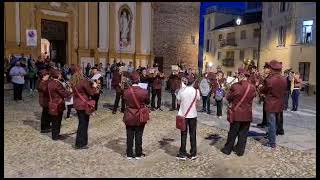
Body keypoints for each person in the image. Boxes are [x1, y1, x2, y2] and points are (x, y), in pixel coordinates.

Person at [220, 67, 256, 156]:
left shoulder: (235, 86)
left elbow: (229, 98)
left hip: (237, 113)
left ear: (241, 75)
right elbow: (253, 97)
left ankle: (227, 149)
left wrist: (227, 91)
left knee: (233, 132)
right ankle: (240, 151)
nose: (237, 76)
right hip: (247, 113)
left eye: (238, 74)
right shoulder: (252, 87)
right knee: (243, 133)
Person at [259, 60, 287, 149]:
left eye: (270, 68)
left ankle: (272, 142)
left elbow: (263, 90)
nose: (269, 69)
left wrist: (260, 87)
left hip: (271, 104)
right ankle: (272, 138)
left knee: (271, 123)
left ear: (272, 69)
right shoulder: (283, 79)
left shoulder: (270, 80)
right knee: (275, 122)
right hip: (280, 103)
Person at [70, 65, 99, 149]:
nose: (82, 72)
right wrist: (94, 86)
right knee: (83, 124)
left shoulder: (73, 81)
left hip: (77, 103)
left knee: (81, 123)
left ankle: (81, 142)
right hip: (83, 104)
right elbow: (91, 93)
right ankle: (80, 143)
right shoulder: (83, 81)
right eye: (81, 70)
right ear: (79, 71)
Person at [123, 71, 150, 160]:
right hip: (139, 115)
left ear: (131, 80)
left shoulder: (126, 91)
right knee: (139, 134)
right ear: (138, 80)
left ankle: (129, 153)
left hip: (129, 114)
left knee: (129, 134)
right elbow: (147, 102)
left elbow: (125, 101)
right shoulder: (144, 91)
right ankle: (138, 153)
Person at [176, 74, 201, 160]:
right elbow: (198, 101)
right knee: (193, 134)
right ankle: (193, 153)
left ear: (186, 81)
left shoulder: (181, 90)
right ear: (193, 82)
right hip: (193, 115)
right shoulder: (196, 91)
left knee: (183, 134)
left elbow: (178, 102)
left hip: (183, 115)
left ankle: (182, 153)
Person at [47, 69, 72, 140]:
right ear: (57, 75)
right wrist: (70, 91)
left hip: (52, 102)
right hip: (58, 103)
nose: (61, 75)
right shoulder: (57, 83)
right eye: (60, 74)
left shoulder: (50, 82)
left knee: (55, 120)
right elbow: (64, 94)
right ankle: (56, 136)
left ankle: (55, 135)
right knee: (57, 120)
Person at [257, 63, 271, 128]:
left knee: (268, 112)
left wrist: (262, 87)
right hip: (265, 96)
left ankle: (267, 125)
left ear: (269, 69)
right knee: (264, 110)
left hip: (268, 97)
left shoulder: (270, 77)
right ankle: (264, 122)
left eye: (265, 68)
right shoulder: (265, 76)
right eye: (264, 68)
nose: (264, 69)